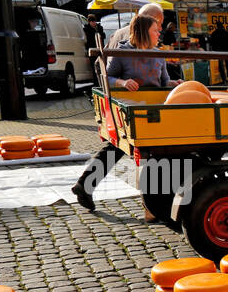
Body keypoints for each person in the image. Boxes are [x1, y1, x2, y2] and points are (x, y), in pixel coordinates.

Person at [71, 14, 180, 212]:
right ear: (143, 32)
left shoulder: (158, 54)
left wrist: (176, 84)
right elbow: (108, 77)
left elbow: (164, 82)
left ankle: (85, 185)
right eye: (155, 30)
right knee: (119, 147)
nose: (159, 33)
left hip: (153, 109)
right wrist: (122, 82)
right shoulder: (122, 51)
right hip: (128, 107)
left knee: (119, 149)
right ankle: (155, 205)